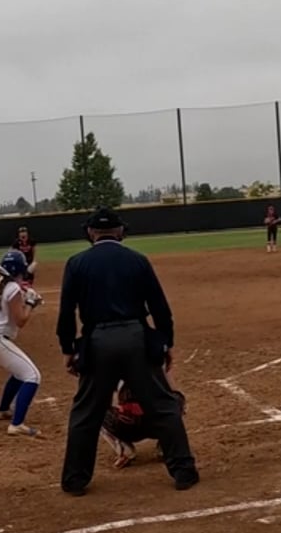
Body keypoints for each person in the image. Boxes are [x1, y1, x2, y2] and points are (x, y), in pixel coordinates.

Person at [54, 207, 197, 495]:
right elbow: (160, 307)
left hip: (97, 341)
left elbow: (67, 311)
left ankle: (75, 480)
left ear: (90, 232)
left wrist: (68, 348)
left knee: (86, 413)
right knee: (163, 406)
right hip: (136, 338)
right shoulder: (137, 260)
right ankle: (183, 471)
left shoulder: (77, 263)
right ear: (120, 231)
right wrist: (166, 342)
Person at [0, 250, 44, 438]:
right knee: (32, 376)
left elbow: (14, 294)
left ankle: (2, 410)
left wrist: (28, 297)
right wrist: (30, 303)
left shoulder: (2, 283)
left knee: (19, 372)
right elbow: (21, 320)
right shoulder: (12, 288)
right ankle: (17, 425)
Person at [102, 381, 186, 468]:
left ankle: (125, 450)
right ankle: (166, 445)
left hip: (130, 425)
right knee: (177, 399)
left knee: (97, 411)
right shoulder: (156, 372)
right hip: (158, 423)